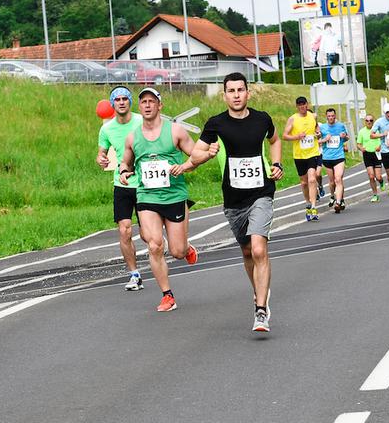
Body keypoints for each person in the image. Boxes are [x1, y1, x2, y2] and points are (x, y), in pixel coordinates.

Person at [188, 72, 282, 333]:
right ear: (225, 95)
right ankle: (259, 291)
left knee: (259, 248)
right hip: (233, 199)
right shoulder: (215, 124)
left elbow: (275, 140)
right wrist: (208, 152)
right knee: (246, 251)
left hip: (262, 191)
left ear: (248, 93)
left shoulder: (262, 119)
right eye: (231, 91)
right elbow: (195, 156)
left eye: (241, 90)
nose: (237, 95)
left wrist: (276, 164)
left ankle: (261, 311)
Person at [119, 87, 198, 313]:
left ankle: (186, 246)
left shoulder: (175, 131)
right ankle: (167, 295)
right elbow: (125, 162)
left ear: (159, 106)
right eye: (143, 101)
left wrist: (184, 166)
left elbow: (195, 156)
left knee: (177, 252)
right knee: (154, 245)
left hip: (174, 196)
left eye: (151, 101)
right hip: (147, 196)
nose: (146, 105)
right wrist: (124, 172)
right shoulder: (133, 137)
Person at [97, 87, 145, 291]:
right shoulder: (107, 129)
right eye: (118, 99)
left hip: (144, 183)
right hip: (121, 184)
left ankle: (161, 247)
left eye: (125, 98)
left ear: (130, 102)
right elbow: (101, 153)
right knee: (124, 231)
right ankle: (134, 274)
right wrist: (101, 158)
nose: (122, 102)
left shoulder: (142, 121)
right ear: (112, 104)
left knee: (147, 235)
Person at [283, 96, 322, 221]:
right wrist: (297, 136)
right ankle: (308, 203)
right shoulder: (293, 119)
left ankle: (314, 208)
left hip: (312, 153)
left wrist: (318, 133)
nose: (302, 107)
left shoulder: (313, 116)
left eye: (303, 104)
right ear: (297, 106)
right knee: (304, 182)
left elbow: (317, 128)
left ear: (307, 105)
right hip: (299, 155)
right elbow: (284, 136)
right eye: (299, 105)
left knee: (312, 179)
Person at [318, 107, 349, 212]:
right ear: (326, 117)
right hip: (327, 157)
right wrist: (324, 139)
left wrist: (344, 136)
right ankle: (332, 195)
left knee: (338, 179)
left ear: (335, 116)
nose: (331, 117)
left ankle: (338, 202)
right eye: (329, 116)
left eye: (332, 116)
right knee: (332, 182)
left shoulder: (340, 126)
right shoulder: (322, 128)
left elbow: (347, 137)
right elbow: (317, 142)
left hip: (339, 156)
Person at [370, 105, 389, 205]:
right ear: (384, 112)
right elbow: (372, 135)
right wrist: (383, 134)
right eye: (387, 112)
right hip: (385, 151)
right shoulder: (379, 122)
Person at [356, 113, 383, 202]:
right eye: (367, 120)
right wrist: (361, 148)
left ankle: (381, 181)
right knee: (371, 176)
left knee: (378, 176)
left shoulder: (377, 130)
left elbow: (383, 141)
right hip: (367, 154)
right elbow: (358, 144)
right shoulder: (361, 131)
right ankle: (375, 194)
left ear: (373, 121)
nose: (369, 122)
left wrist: (380, 147)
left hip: (376, 154)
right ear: (365, 121)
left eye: (371, 120)